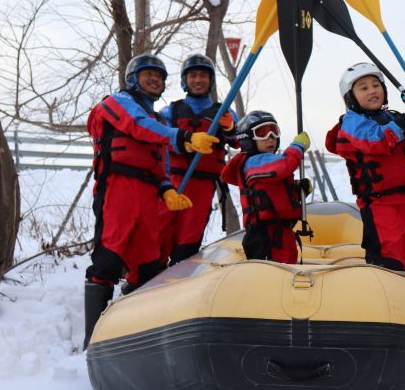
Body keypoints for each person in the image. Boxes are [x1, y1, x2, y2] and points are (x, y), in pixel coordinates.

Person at [83, 53, 219, 349]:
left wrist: (167, 190)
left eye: (159, 76)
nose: (154, 79)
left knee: (148, 267)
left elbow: (162, 167)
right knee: (108, 259)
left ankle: (132, 334)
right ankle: (92, 339)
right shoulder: (116, 103)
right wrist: (182, 136)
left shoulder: (158, 121)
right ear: (133, 79)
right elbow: (136, 125)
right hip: (118, 190)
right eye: (148, 74)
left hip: (148, 197)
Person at [325, 63, 405, 279]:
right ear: (350, 97)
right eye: (364, 88)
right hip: (380, 205)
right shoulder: (352, 122)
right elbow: (375, 141)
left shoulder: (395, 119)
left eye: (376, 85)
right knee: (390, 256)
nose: (372, 91)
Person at [156, 54, 238, 269]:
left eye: (203, 75)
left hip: (202, 186)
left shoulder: (224, 112)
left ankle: (180, 277)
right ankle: (145, 277)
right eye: (193, 75)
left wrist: (230, 128)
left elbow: (241, 139)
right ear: (185, 80)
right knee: (159, 231)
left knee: (188, 237)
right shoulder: (171, 111)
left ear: (210, 81)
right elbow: (159, 135)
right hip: (172, 182)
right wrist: (183, 142)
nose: (198, 80)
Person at [220, 110, 311, 264]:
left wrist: (297, 192)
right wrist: (297, 147)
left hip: (282, 233)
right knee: (276, 275)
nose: (270, 138)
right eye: (262, 133)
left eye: (274, 132)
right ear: (247, 139)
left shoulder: (266, 163)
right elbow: (285, 165)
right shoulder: (254, 162)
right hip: (265, 236)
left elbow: (274, 196)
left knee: (289, 271)